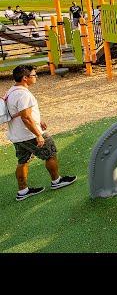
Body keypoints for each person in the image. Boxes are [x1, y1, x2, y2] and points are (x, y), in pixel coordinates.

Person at [5, 65, 77, 201]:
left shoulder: (11, 91)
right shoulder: (23, 94)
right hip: (29, 134)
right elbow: (25, 117)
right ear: (25, 78)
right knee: (50, 153)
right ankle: (56, 181)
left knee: (22, 160)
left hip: (17, 135)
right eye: (34, 75)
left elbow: (21, 113)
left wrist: (39, 120)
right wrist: (38, 134)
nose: (36, 77)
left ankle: (23, 191)